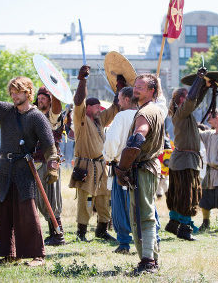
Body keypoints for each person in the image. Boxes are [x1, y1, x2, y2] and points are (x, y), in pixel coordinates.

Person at [0, 76, 59, 267]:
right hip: (6, 167)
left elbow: (50, 146)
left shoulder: (37, 117)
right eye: (12, 92)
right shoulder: (7, 111)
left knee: (27, 212)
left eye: (18, 92)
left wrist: (52, 165)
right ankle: (9, 254)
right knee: (3, 211)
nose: (14, 95)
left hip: (24, 167)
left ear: (28, 92)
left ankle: (37, 255)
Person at [114, 73, 164, 274]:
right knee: (144, 214)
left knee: (143, 215)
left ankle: (148, 261)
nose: (136, 89)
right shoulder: (154, 110)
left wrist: (122, 167)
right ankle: (150, 257)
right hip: (146, 167)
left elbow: (138, 138)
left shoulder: (146, 112)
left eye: (141, 87)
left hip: (142, 167)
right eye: (135, 86)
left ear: (152, 91)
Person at [69, 65, 119, 242]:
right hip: (86, 165)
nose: (100, 109)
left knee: (104, 198)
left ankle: (102, 230)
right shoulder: (81, 118)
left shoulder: (99, 120)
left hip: (101, 166)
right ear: (89, 108)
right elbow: (78, 101)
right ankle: (81, 233)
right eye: (97, 107)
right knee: (85, 201)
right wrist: (82, 80)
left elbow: (114, 109)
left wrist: (119, 88)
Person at [165, 67, 209, 241]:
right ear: (178, 101)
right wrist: (198, 79)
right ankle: (184, 228)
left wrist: (205, 86)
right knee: (187, 195)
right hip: (184, 161)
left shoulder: (185, 113)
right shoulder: (181, 113)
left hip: (183, 160)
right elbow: (192, 99)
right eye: (184, 96)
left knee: (180, 194)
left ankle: (174, 223)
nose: (188, 98)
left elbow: (194, 100)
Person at [102, 85, 136, 254]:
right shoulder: (145, 114)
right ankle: (151, 239)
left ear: (127, 99)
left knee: (121, 206)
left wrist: (108, 157)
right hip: (141, 167)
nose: (117, 101)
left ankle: (124, 243)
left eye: (120, 98)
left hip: (121, 168)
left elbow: (111, 142)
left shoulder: (121, 116)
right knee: (143, 204)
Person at [32, 86, 66, 246]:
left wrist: (55, 93)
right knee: (42, 200)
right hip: (36, 162)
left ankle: (59, 236)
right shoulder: (34, 115)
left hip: (49, 163)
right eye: (39, 97)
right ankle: (54, 234)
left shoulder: (52, 117)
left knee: (51, 200)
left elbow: (57, 110)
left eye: (44, 97)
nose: (40, 99)